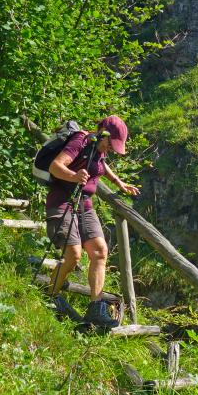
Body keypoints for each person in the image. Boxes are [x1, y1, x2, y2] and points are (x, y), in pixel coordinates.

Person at [46, 115, 140, 327]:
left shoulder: (99, 149)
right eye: (111, 144)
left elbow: (101, 165)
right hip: (62, 201)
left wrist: (119, 182)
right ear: (102, 133)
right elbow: (55, 166)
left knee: (100, 251)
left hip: (84, 204)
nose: (111, 149)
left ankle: (95, 308)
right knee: (73, 253)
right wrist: (74, 176)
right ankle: (50, 296)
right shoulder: (80, 141)